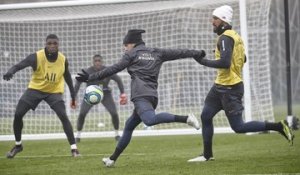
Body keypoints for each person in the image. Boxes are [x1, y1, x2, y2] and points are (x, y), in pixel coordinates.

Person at [76, 29, 205, 167]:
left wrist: (90, 77)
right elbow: (180, 52)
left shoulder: (131, 54)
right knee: (129, 126)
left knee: (149, 120)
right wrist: (197, 53)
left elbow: (113, 69)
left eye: (125, 45)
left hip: (140, 95)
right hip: (152, 95)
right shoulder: (157, 52)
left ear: (131, 44)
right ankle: (112, 159)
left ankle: (186, 118)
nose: (124, 48)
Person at [188, 5, 295, 162]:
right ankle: (207, 155)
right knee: (205, 116)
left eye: (215, 19)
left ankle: (279, 126)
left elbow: (225, 62)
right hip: (220, 86)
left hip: (230, 88)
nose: (212, 22)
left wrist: (202, 61)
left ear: (223, 20)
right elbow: (243, 58)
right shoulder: (235, 36)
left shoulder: (225, 37)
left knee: (238, 127)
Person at [3, 34, 80, 158]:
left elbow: (67, 77)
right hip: (35, 89)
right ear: (45, 44)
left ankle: (74, 148)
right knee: (18, 114)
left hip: (54, 91)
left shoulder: (63, 59)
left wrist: (73, 96)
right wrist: (10, 72)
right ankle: (18, 145)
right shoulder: (36, 57)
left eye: (55, 43)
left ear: (58, 44)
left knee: (63, 115)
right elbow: (19, 65)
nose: (52, 46)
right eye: (49, 43)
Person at [74, 54, 128, 142]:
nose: (97, 62)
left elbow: (118, 79)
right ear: (93, 62)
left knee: (114, 113)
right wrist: (74, 97)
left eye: (99, 61)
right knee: (82, 113)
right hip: (90, 95)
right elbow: (78, 82)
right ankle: (78, 135)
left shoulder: (107, 70)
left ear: (102, 62)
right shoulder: (88, 71)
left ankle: (117, 134)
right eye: (96, 61)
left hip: (105, 94)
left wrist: (122, 93)